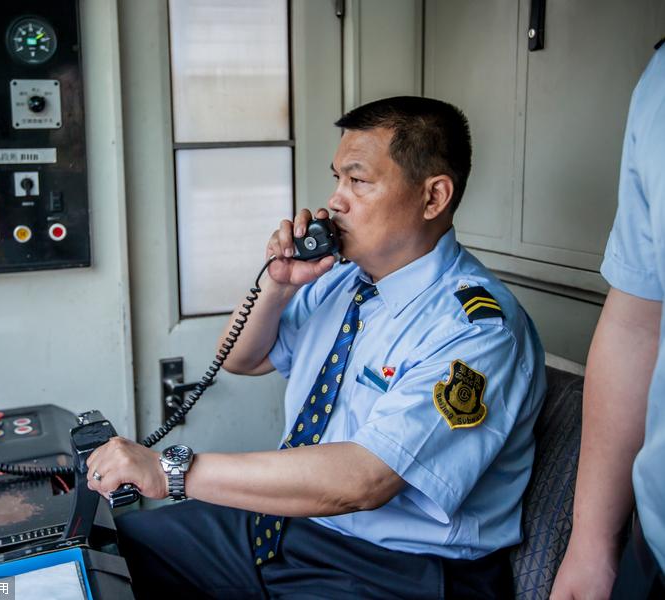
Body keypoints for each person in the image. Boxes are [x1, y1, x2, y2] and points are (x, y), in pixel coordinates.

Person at [87, 96, 547, 599]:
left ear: (433, 197)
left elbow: (362, 481)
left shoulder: (476, 329)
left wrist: (169, 471)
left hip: (398, 570)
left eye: (358, 180)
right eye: (337, 179)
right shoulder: (342, 279)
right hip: (291, 527)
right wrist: (278, 286)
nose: (335, 201)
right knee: (106, 559)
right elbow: (244, 359)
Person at [550, 45, 665, 600]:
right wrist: (592, 541)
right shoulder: (659, 84)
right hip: (657, 549)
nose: (335, 201)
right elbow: (636, 325)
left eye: (357, 180)